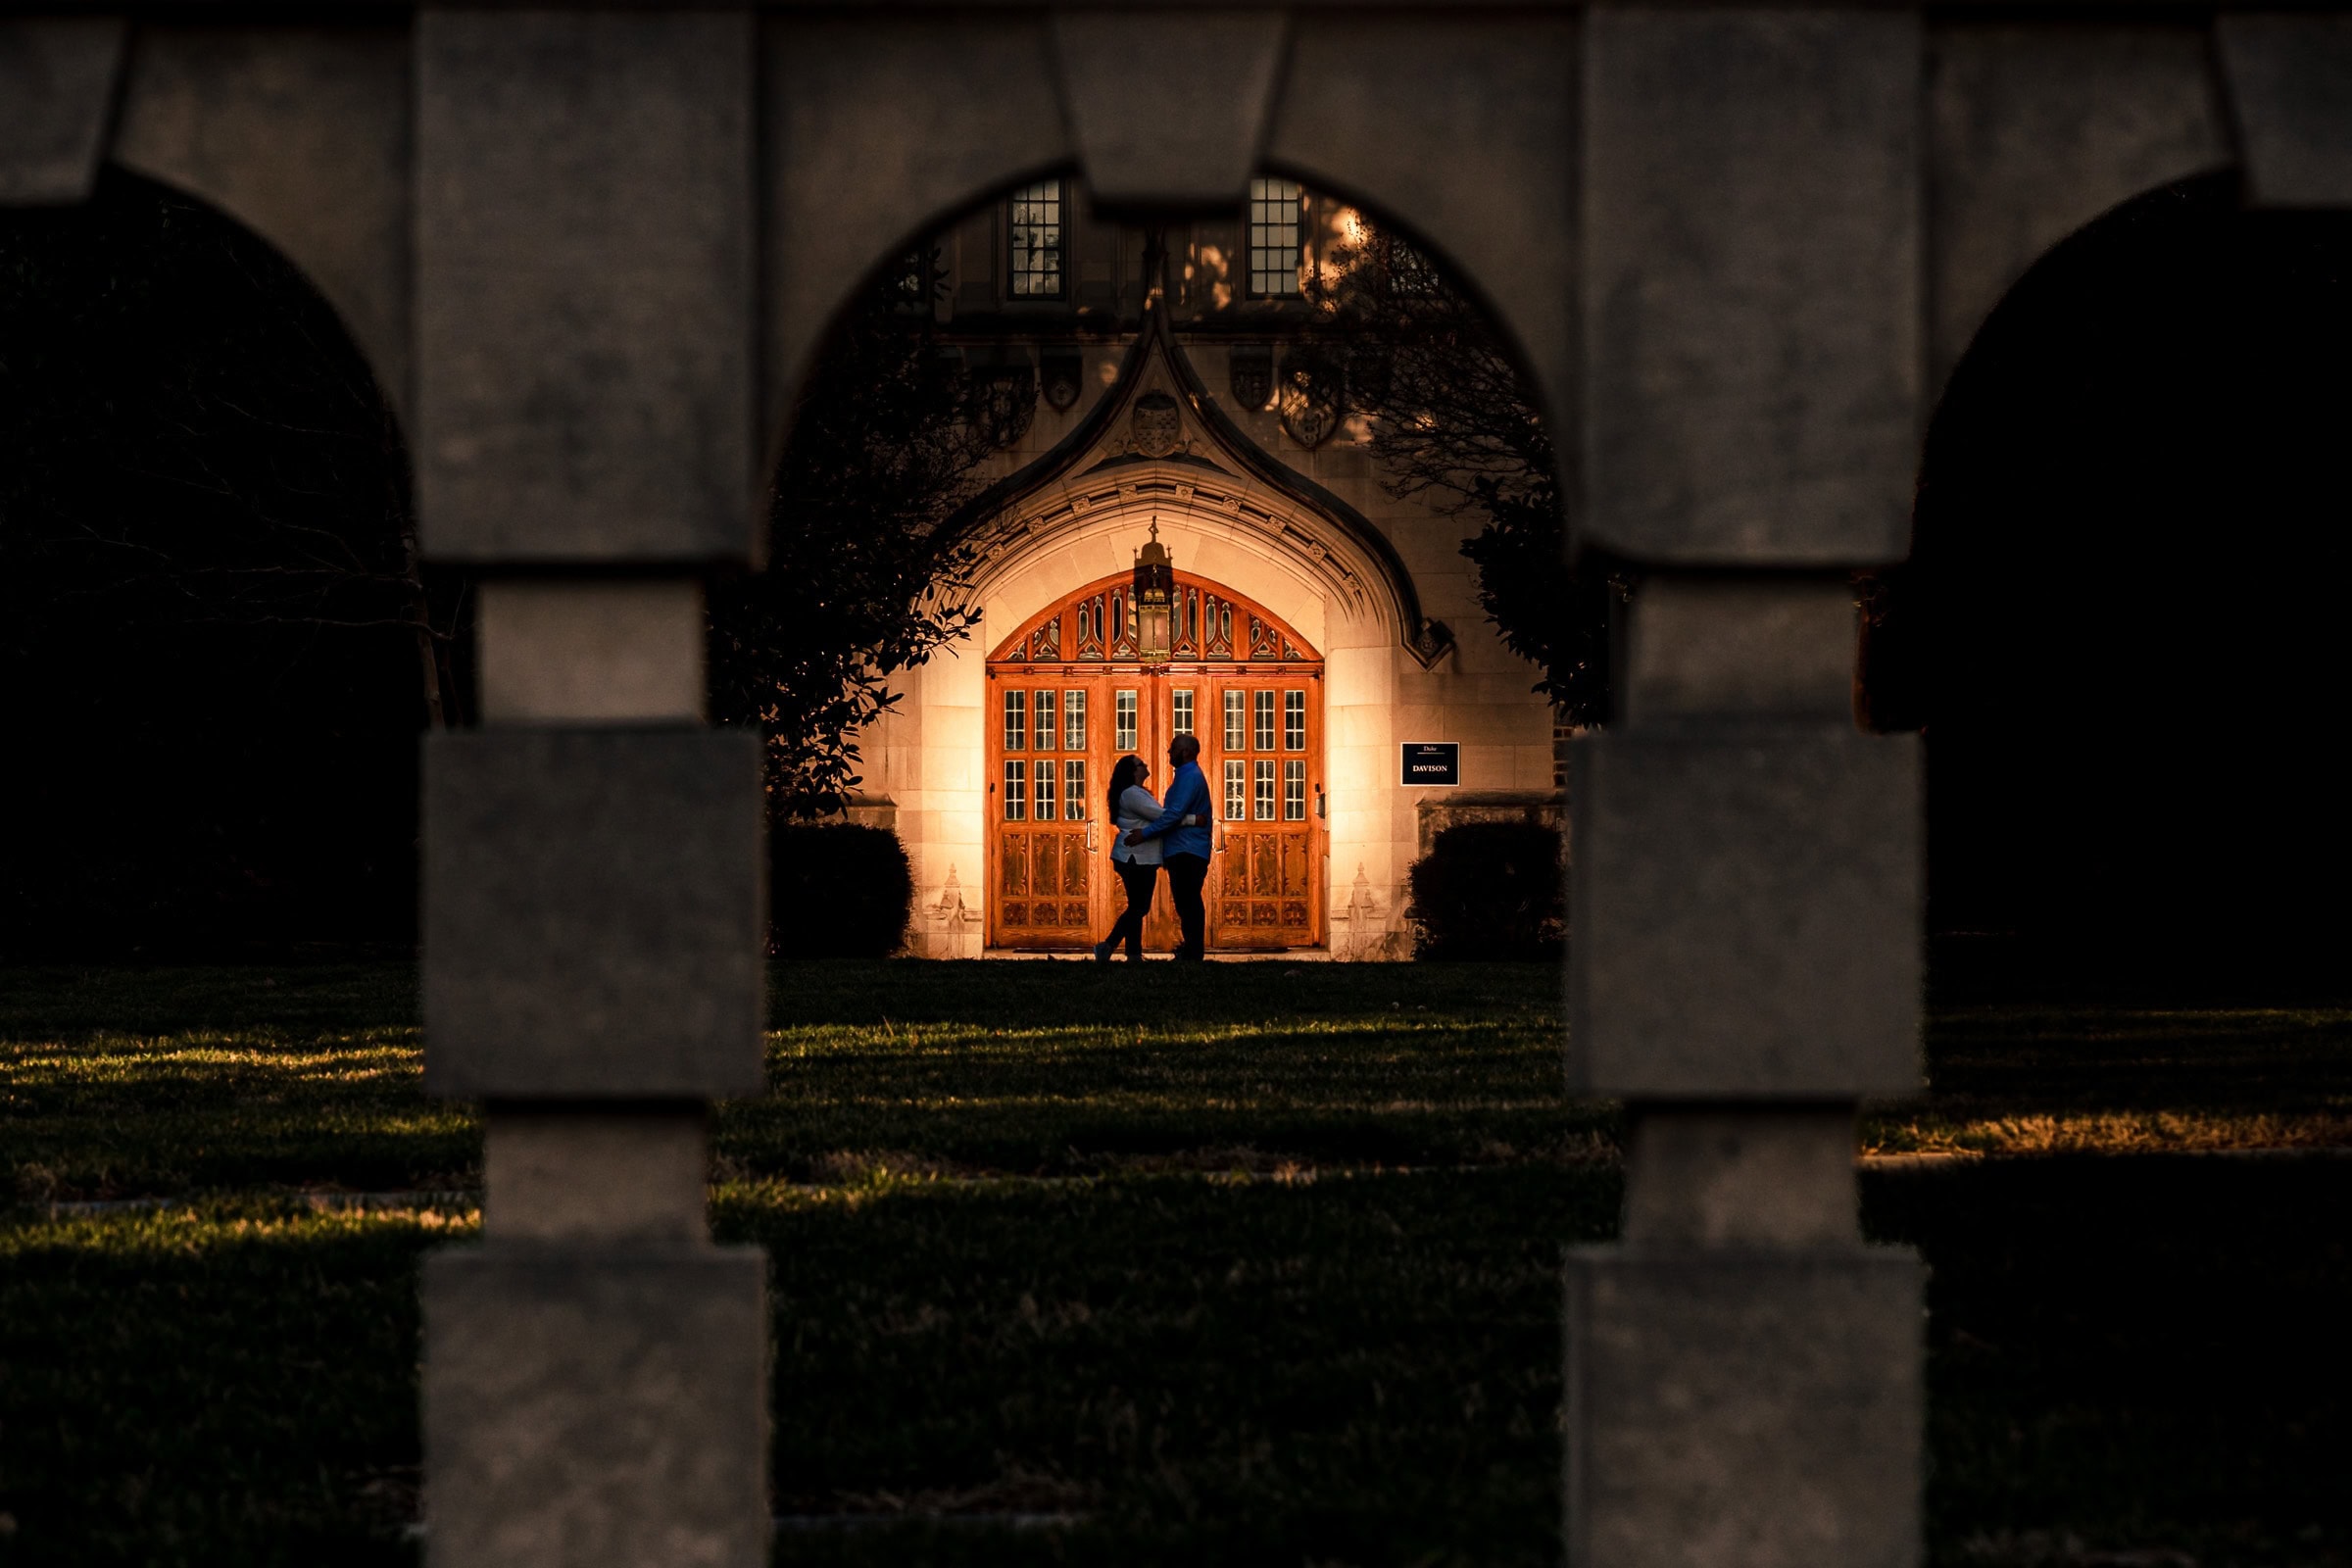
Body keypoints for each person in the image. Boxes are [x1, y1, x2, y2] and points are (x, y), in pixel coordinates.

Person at [1125, 733, 1213, 960]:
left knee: (1189, 901)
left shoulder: (1190, 776)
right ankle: (1191, 949)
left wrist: (1144, 834)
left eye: (1173, 749)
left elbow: (1173, 815)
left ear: (1185, 752)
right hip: (1182, 849)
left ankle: (1193, 951)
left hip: (1188, 849)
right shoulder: (1185, 776)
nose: (1168, 752)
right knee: (1186, 902)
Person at [1095, 755, 1162, 963]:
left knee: (1136, 905)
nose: (1146, 765)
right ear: (1133, 771)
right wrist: (1192, 819)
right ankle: (1107, 945)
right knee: (1140, 907)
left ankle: (1133, 954)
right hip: (1136, 858)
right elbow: (1162, 816)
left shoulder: (1136, 793)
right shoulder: (1132, 794)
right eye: (1141, 764)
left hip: (1139, 857)